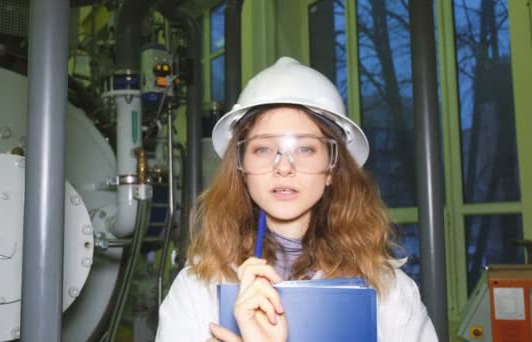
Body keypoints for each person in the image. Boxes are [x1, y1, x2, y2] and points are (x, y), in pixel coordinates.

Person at [155, 57, 438, 342]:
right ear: (241, 168)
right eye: (263, 149)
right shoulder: (196, 290)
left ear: (332, 167)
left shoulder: (389, 292)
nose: (283, 167)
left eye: (304, 149)